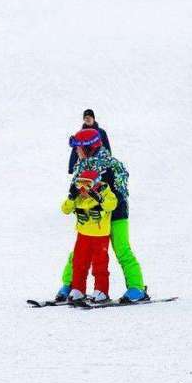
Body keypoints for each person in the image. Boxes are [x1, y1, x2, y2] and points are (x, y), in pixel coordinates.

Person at [62, 128, 149, 304]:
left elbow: (119, 192)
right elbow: (75, 192)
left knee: (122, 249)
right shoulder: (80, 166)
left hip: (115, 215)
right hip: (92, 219)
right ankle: (70, 285)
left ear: (88, 147)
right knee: (79, 252)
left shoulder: (111, 165)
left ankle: (137, 287)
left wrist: (99, 196)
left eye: (78, 147)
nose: (76, 151)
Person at [61, 169, 118, 304]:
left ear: (96, 184)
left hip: (100, 237)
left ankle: (101, 291)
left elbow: (111, 205)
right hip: (83, 236)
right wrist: (71, 197)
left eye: (87, 185)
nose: (83, 189)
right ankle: (78, 289)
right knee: (79, 262)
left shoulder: (106, 193)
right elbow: (65, 209)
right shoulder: (79, 196)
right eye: (80, 184)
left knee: (100, 264)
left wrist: (99, 198)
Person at [68, 109, 110, 174]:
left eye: (89, 117)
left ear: (93, 118)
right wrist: (71, 168)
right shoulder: (80, 134)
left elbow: (107, 148)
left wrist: (108, 162)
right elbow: (75, 150)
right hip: (85, 165)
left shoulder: (101, 132)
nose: (87, 119)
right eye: (85, 118)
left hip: (99, 164)